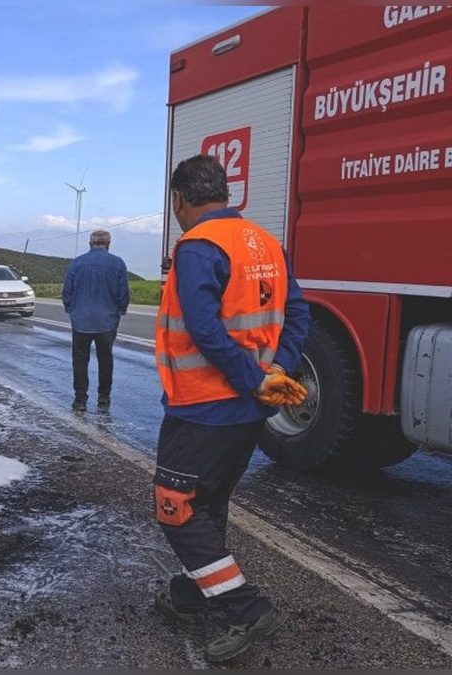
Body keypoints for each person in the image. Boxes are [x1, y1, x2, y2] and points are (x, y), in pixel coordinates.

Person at [153, 154, 310, 663]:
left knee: (175, 508)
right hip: (248, 411)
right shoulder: (267, 243)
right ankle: (192, 593)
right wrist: (275, 374)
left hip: (203, 407)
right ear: (225, 192)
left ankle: (247, 609)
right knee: (209, 500)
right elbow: (297, 311)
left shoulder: (197, 245)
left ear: (180, 200)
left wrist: (252, 379)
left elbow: (204, 329)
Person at [61, 228, 130, 412]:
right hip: (107, 321)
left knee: (80, 359)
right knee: (105, 358)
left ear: (90, 244)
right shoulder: (117, 263)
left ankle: (80, 400)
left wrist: (71, 308)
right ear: (108, 244)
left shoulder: (77, 263)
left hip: (81, 320)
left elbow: (67, 291)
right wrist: (119, 310)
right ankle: (104, 399)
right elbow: (123, 293)